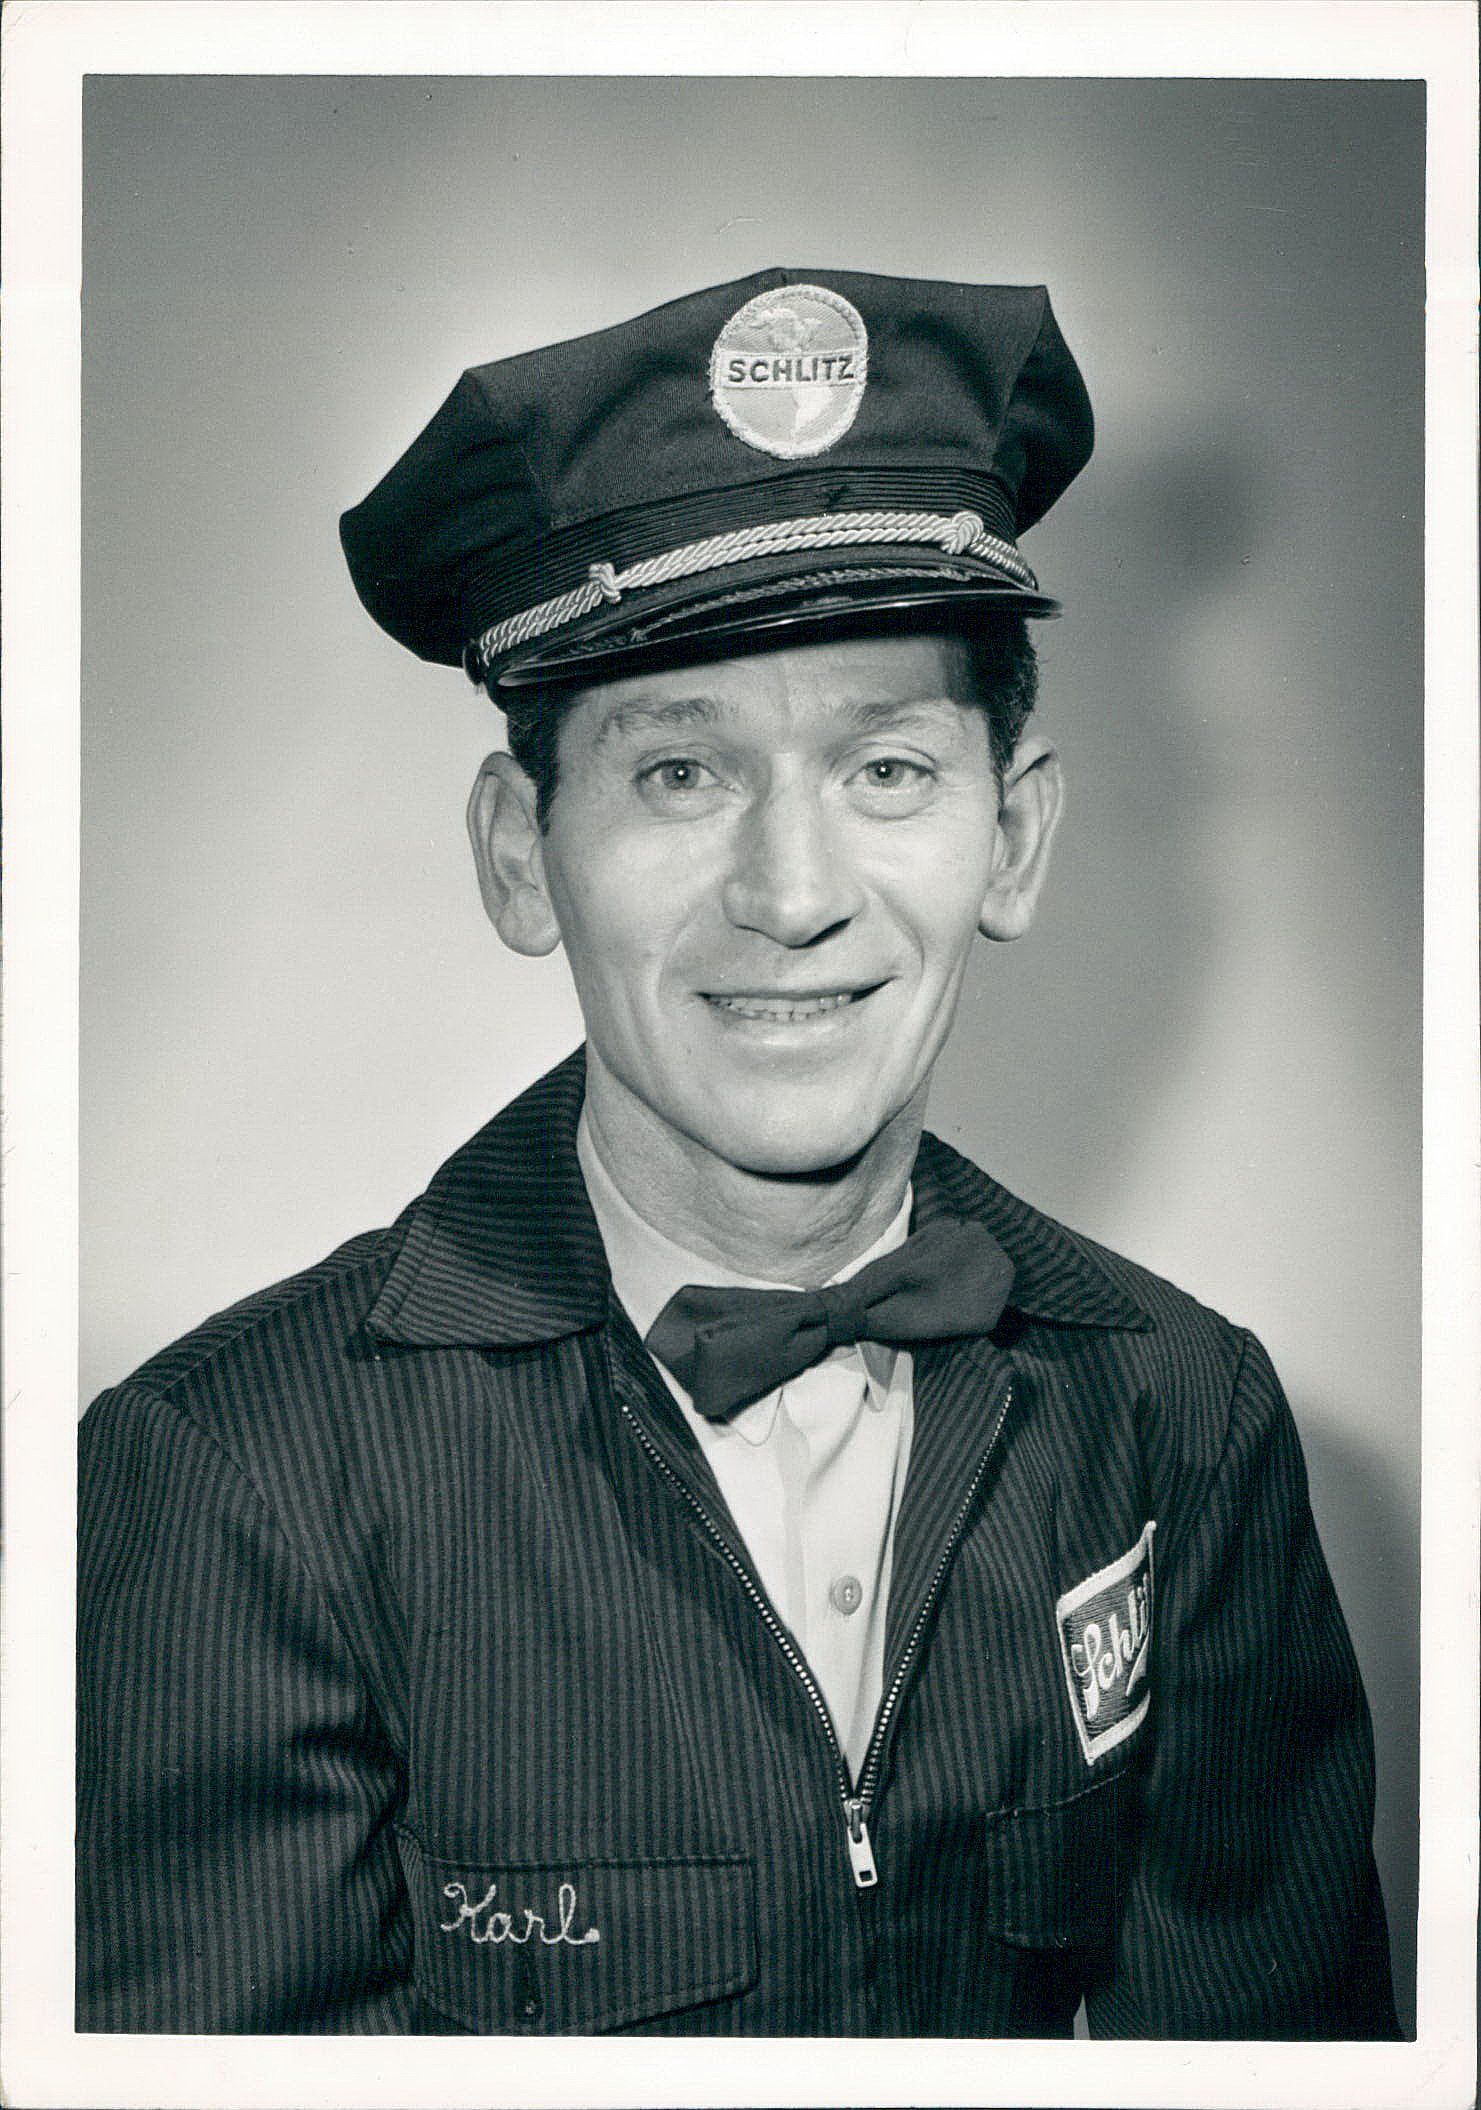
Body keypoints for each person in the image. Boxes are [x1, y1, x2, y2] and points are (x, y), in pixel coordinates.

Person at [77, 267, 1398, 2037]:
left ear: (1011, 839)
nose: (791, 895)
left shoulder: (1180, 1412)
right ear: (522, 854)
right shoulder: (237, 1477)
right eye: (680, 774)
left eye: (886, 770)